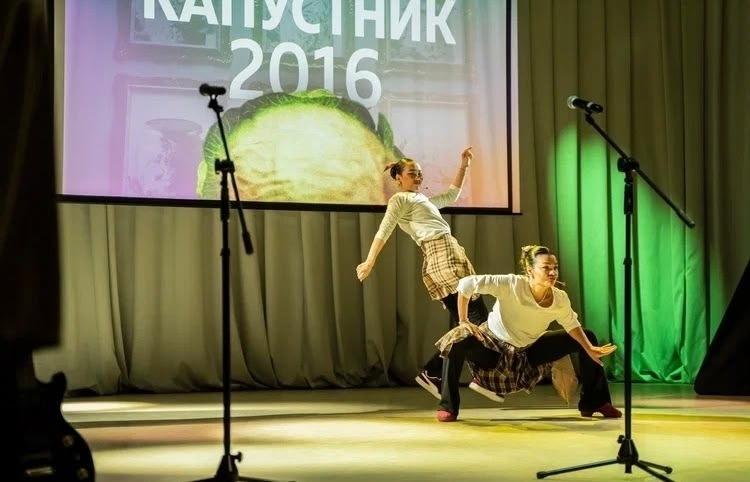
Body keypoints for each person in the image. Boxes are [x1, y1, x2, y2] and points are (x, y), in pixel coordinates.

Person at [356, 147, 489, 398]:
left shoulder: (423, 201)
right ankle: (477, 374)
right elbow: (385, 229)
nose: (418, 177)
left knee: (468, 323)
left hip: (446, 254)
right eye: (412, 173)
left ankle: (437, 373)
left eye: (419, 173)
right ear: (398, 178)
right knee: (477, 319)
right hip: (442, 254)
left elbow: (451, 195)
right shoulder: (400, 200)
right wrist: (369, 261)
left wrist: (464, 165)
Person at [434, 245, 622, 422]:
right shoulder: (511, 284)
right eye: (546, 268)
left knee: (587, 337)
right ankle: (448, 406)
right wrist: (464, 321)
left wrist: (589, 348)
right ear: (530, 271)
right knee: (458, 339)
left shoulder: (559, 299)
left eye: (555, 268)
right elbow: (466, 284)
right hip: (492, 349)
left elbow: (572, 324)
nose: (552, 272)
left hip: (526, 352)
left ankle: (593, 401)